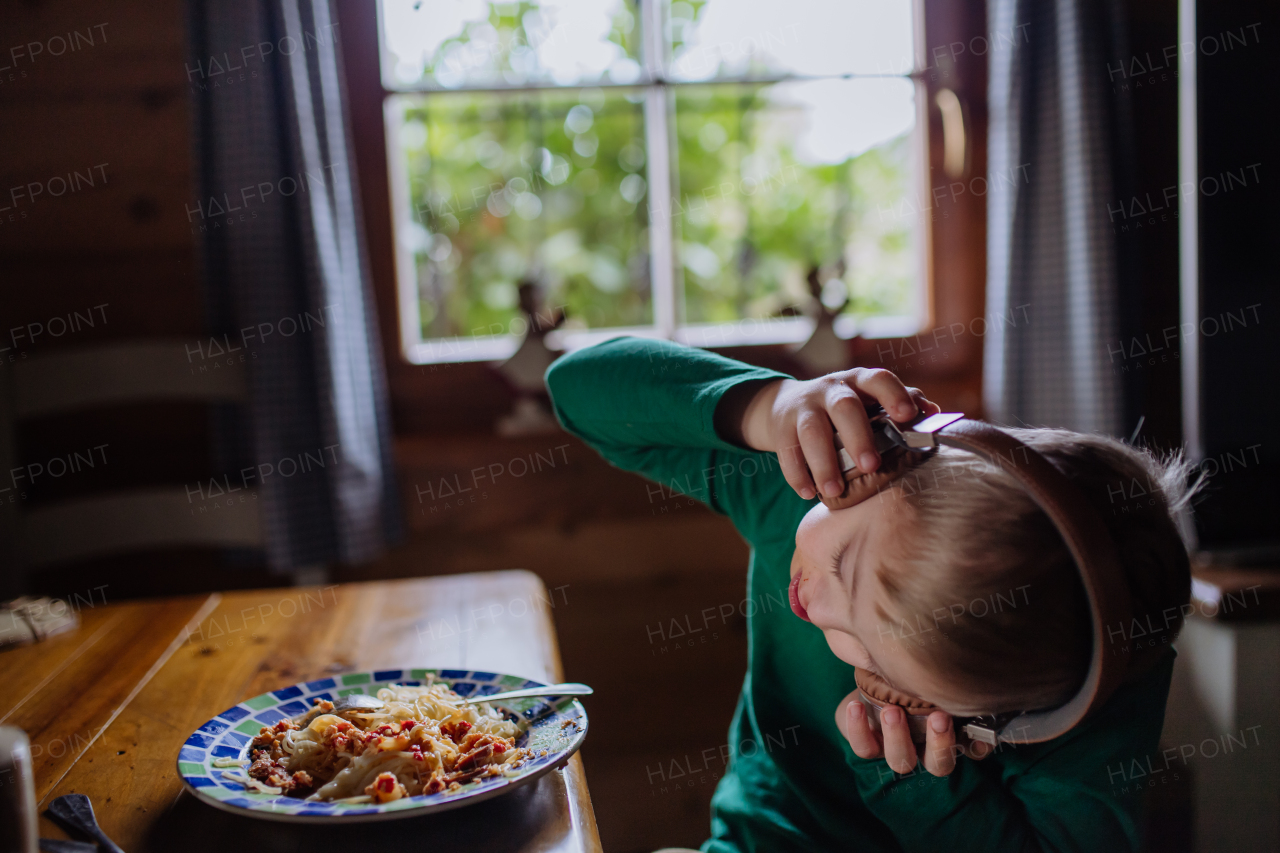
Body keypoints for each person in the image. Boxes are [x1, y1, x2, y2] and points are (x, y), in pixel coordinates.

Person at [545, 336, 1196, 853]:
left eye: (870, 658)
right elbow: (576, 386)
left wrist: (925, 788)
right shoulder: (805, 484)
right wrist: (767, 407)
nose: (817, 604)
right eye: (847, 560)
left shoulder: (1086, 706)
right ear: (880, 460)